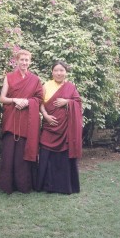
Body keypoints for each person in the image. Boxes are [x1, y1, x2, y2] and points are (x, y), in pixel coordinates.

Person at [0, 50, 43, 194]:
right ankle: (7, 185)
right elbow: (2, 98)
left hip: (27, 120)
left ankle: (24, 184)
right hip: (12, 118)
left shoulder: (35, 80)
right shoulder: (9, 77)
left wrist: (27, 102)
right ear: (16, 61)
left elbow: (39, 98)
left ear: (30, 62)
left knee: (25, 150)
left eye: (27, 60)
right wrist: (15, 100)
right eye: (22, 60)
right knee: (10, 151)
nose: (24, 63)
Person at [37, 61, 83, 194]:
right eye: (56, 70)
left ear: (65, 72)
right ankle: (46, 185)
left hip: (65, 129)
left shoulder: (70, 87)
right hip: (49, 126)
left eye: (61, 70)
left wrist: (67, 102)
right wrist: (45, 116)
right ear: (52, 72)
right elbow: (40, 103)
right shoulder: (46, 85)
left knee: (63, 157)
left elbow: (78, 103)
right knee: (46, 154)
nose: (59, 73)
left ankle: (64, 186)